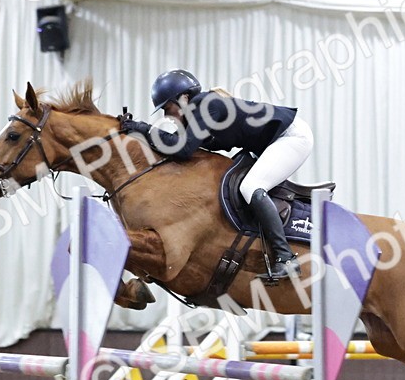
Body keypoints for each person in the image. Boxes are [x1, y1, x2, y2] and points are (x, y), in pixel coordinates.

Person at [120, 69, 312, 283]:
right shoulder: (199, 112)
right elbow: (172, 143)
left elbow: (183, 150)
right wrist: (138, 133)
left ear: (183, 98)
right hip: (270, 143)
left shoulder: (206, 104)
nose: (167, 115)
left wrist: (143, 129)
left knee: (251, 187)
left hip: (291, 136)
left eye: (167, 107)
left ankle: (285, 258)